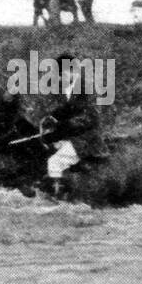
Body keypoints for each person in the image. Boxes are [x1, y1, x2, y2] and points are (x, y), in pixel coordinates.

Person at [39, 53, 108, 199]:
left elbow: (90, 118)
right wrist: (52, 117)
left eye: (60, 74)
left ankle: (57, 200)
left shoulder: (85, 88)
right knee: (51, 148)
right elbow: (68, 109)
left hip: (89, 140)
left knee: (54, 162)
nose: (58, 78)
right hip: (77, 136)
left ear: (71, 71)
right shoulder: (71, 87)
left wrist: (62, 125)